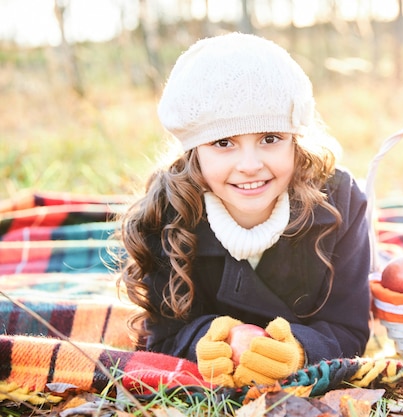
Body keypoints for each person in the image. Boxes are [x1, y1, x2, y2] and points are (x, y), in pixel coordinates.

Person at [116, 32, 371, 388]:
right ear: (194, 151)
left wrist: (299, 350)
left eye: (270, 138)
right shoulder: (165, 215)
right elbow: (164, 334)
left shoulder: (340, 203)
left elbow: (349, 327)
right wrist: (209, 338)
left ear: (295, 140)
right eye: (224, 143)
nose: (249, 165)